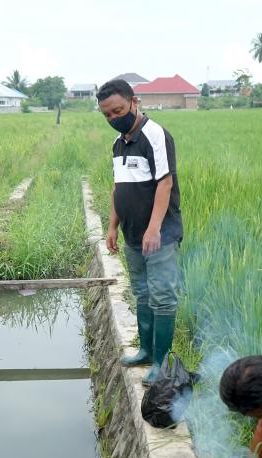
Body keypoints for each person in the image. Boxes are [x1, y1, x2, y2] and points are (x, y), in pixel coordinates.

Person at [95, 79, 183, 385]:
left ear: (134, 101)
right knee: (142, 294)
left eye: (117, 110)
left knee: (162, 296)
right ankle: (145, 350)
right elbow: (119, 188)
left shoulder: (154, 135)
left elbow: (165, 182)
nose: (113, 118)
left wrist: (154, 229)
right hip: (132, 234)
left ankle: (160, 362)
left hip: (159, 235)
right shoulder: (119, 142)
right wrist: (112, 226)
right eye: (106, 114)